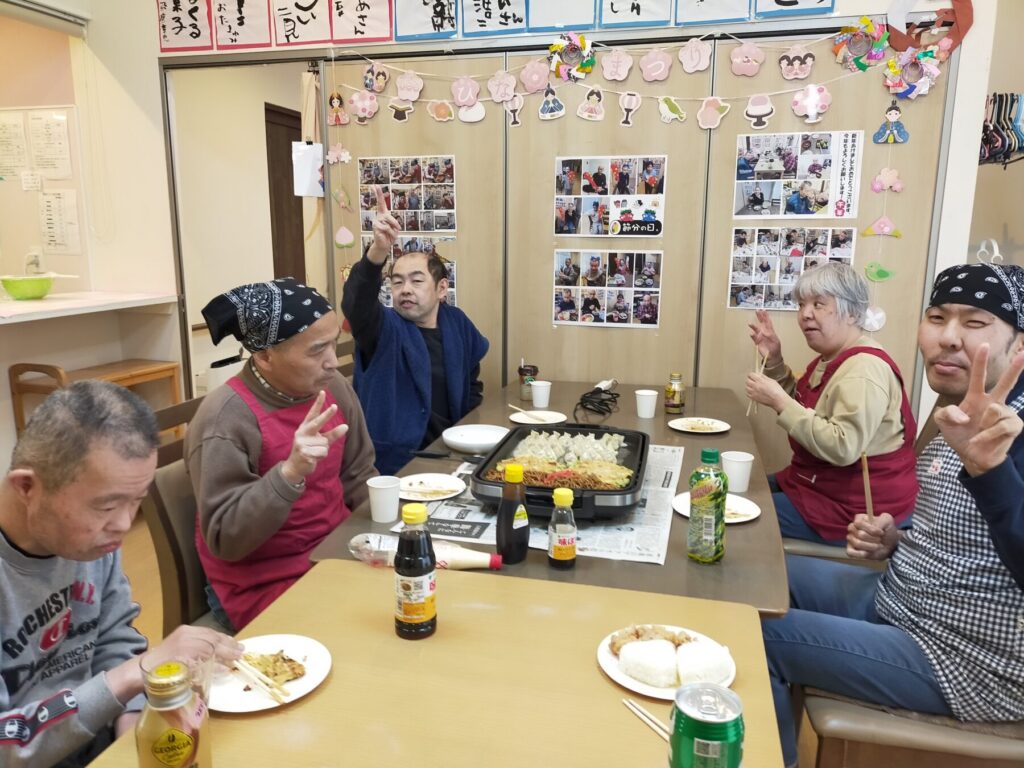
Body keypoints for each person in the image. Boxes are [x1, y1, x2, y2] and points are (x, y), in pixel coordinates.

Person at [764, 262, 1024, 768]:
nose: (948, 337)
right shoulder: (959, 412)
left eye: (975, 323)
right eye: (937, 317)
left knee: (758, 640)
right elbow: (960, 538)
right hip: (901, 597)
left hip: (962, 659)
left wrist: (992, 472)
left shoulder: (1006, 430)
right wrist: (894, 541)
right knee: (758, 576)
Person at [1, 381, 241, 767]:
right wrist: (131, 677)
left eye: (136, 501)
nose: (124, 525)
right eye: (107, 506)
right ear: (27, 486)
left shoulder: (88, 540)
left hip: (93, 739)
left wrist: (132, 724)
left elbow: (114, 638)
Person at [188, 278, 377, 630]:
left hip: (335, 553)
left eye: (334, 344)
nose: (333, 362)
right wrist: (289, 473)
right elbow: (226, 539)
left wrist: (392, 529)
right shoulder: (226, 419)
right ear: (264, 356)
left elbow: (359, 474)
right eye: (316, 351)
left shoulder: (334, 388)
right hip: (263, 581)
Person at [746, 263, 918, 544]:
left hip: (855, 507)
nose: (805, 314)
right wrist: (774, 360)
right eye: (801, 305)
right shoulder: (834, 357)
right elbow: (806, 406)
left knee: (734, 508)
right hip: (818, 483)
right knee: (738, 486)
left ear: (852, 312)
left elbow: (843, 446)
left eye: (818, 304)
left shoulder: (864, 368)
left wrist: (779, 401)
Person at [342, 187, 488, 475]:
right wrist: (377, 251)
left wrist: (466, 430)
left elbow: (472, 380)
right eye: (397, 282)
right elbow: (356, 304)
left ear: (442, 289)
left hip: (452, 453)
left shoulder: (456, 322)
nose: (405, 289)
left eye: (416, 281)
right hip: (394, 462)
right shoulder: (381, 327)